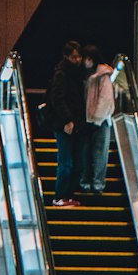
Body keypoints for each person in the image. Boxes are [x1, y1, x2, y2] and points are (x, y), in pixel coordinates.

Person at [47, 39, 87, 208]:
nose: (77, 60)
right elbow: (58, 99)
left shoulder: (75, 74)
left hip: (75, 124)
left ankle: (68, 195)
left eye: (79, 57)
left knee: (76, 162)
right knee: (66, 162)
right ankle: (60, 195)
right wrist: (67, 120)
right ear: (66, 56)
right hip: (65, 124)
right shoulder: (61, 74)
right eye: (74, 57)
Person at [79, 45, 114, 196]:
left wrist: (96, 118)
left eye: (87, 58)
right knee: (86, 151)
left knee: (99, 152)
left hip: (100, 120)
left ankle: (97, 183)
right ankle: (88, 181)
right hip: (88, 119)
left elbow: (106, 99)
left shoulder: (102, 75)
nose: (84, 61)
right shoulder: (87, 75)